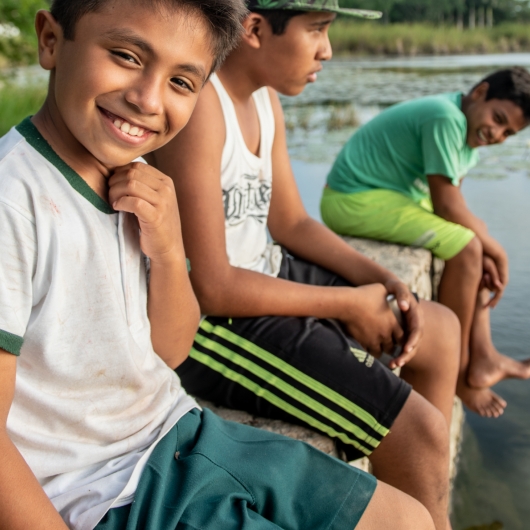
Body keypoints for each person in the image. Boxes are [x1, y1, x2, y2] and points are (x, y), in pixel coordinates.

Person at [0, 1, 439, 529]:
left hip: (182, 432)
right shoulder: (15, 199)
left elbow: (172, 346)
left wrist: (165, 248)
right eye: (124, 55)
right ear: (50, 40)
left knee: (406, 519)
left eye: (183, 83)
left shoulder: (137, 178)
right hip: (97, 490)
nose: (146, 99)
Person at [149, 2, 460, 528]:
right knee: (420, 430)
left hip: (267, 273)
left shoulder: (265, 99)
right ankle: (405, 457)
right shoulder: (203, 104)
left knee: (442, 327)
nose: (327, 51)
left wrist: (377, 276)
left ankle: (415, 484)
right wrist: (348, 303)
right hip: (209, 327)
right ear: (253, 29)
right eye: (316, 30)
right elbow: (214, 287)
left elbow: (290, 222)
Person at [320, 68, 530, 419]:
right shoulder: (445, 117)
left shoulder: (465, 136)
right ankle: (461, 373)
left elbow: (452, 207)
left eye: (508, 133)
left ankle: (483, 355)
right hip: (353, 198)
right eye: (498, 119)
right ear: (479, 93)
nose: (497, 135)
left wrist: (485, 246)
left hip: (388, 197)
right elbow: (447, 204)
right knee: (468, 247)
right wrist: (496, 249)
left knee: (474, 243)